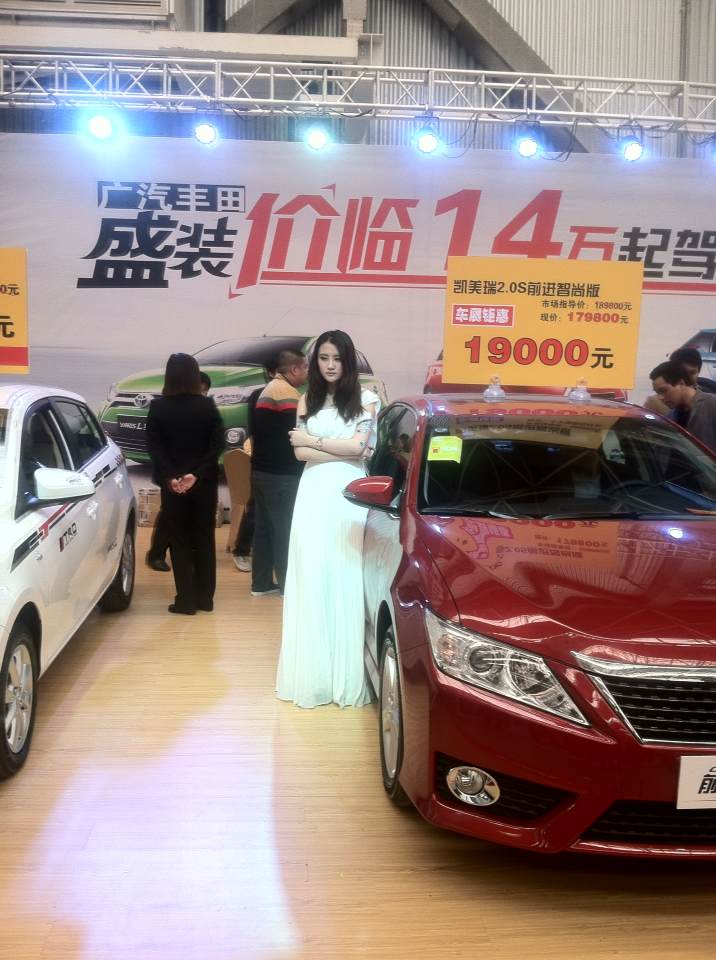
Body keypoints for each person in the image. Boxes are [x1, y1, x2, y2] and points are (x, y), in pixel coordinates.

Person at [277, 330, 380, 708]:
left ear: (348, 360)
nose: (331, 365)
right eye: (324, 358)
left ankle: (345, 677)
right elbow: (300, 455)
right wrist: (340, 450)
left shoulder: (367, 399)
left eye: (337, 358)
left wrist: (313, 442)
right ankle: (315, 677)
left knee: (345, 575)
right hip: (312, 496)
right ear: (315, 362)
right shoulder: (307, 399)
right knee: (312, 576)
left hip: (350, 497)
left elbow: (361, 447)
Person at [146, 354, 224, 614]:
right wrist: (196, 474)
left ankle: (186, 601)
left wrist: (172, 476)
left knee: (179, 540)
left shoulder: (158, 408)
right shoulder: (207, 406)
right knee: (204, 538)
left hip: (173, 488)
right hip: (204, 484)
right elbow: (217, 445)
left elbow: (155, 448)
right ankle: (206, 599)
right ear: (194, 375)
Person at [250, 350, 308, 597]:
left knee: (263, 529)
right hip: (281, 475)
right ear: (294, 369)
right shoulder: (288, 395)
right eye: (305, 367)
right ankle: (288, 585)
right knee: (284, 530)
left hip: (261, 471)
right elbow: (296, 436)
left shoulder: (268, 389)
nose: (307, 372)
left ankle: (260, 584)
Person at [146, 370, 212, 572]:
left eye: (205, 392)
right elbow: (158, 444)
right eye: (200, 391)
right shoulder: (165, 408)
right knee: (170, 515)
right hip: (172, 471)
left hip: (194, 472)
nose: (202, 396)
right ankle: (156, 554)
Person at [232, 361, 278, 573]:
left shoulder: (295, 394)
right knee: (256, 508)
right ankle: (241, 550)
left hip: (285, 465)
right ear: (271, 372)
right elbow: (256, 431)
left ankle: (274, 554)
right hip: (264, 461)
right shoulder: (259, 395)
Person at [650, 360, 716, 452]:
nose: (660, 397)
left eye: (664, 390)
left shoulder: (711, 404)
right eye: (658, 392)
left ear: (681, 383)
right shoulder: (670, 417)